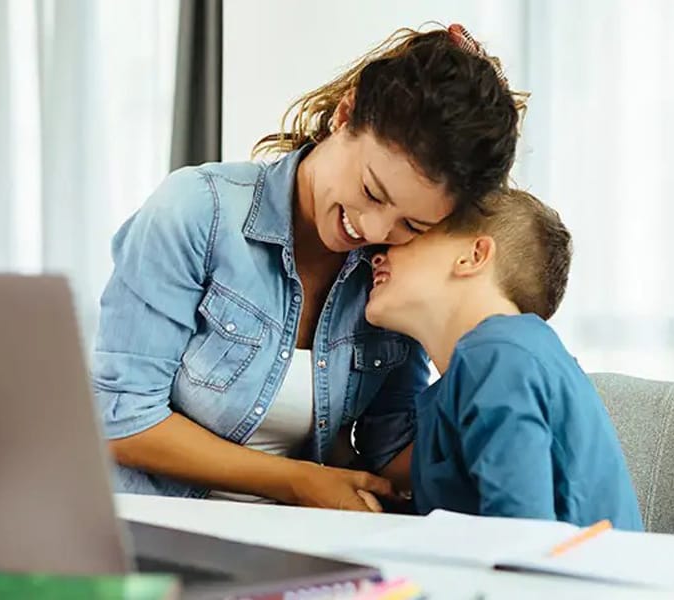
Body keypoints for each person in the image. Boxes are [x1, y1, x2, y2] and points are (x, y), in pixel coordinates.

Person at [92, 24, 524, 511]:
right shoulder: (198, 212)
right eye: (371, 191)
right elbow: (122, 419)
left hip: (296, 544)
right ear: (346, 115)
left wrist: (507, 399)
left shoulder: (389, 277)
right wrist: (298, 482)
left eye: (412, 222)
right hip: (155, 534)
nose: (374, 229)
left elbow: (389, 447)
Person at [363, 189, 643, 528]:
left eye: (411, 231)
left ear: (473, 255)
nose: (377, 253)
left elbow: (519, 538)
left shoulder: (497, 356)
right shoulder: (497, 360)